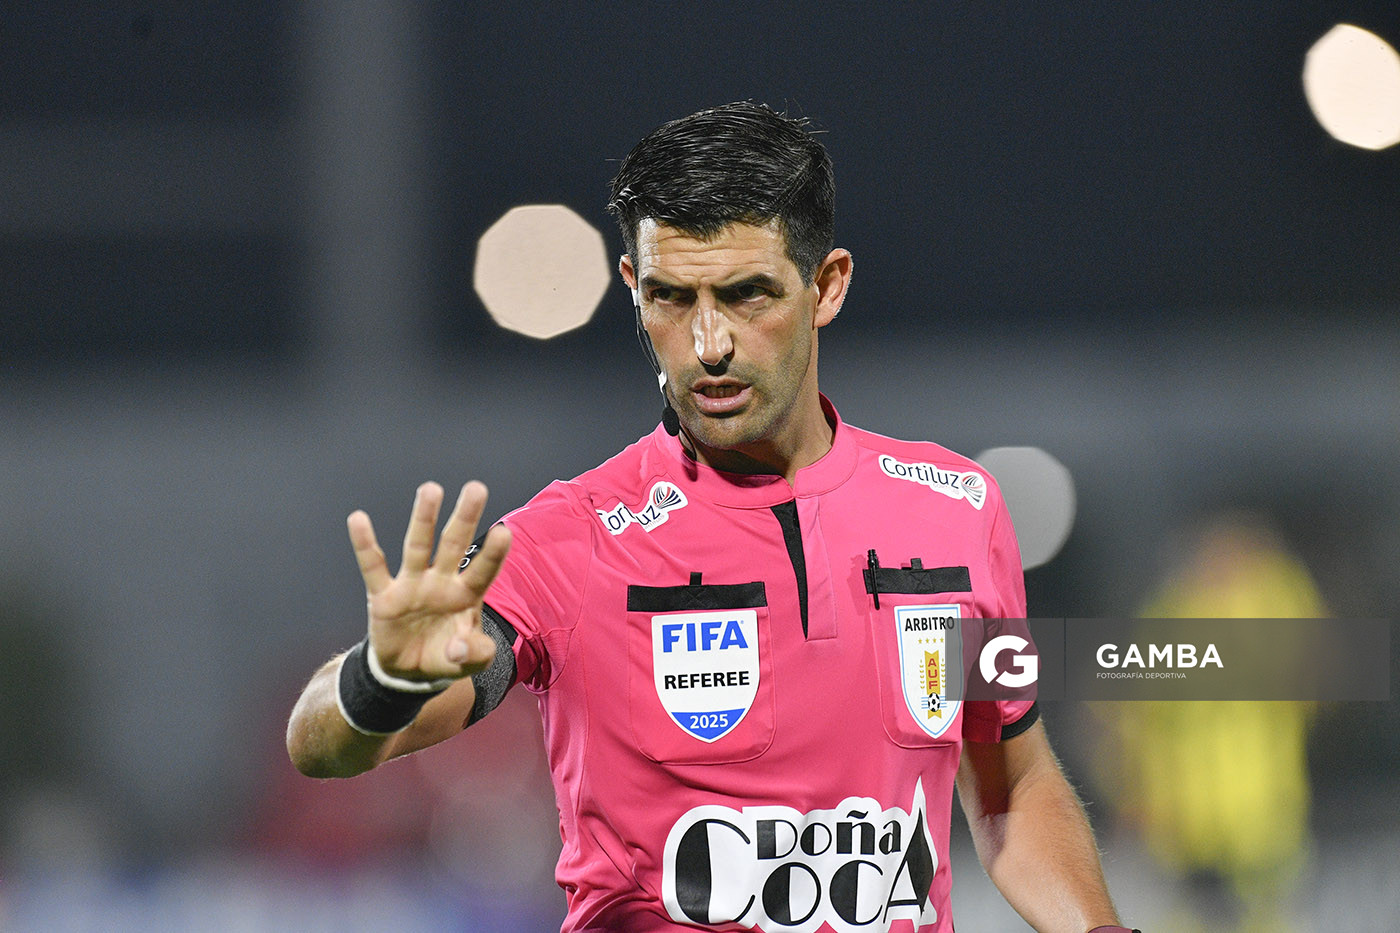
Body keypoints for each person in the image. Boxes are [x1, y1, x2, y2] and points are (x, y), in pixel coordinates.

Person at [287, 101, 1137, 933]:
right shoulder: (570, 538)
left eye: (746, 295)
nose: (708, 344)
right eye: (670, 297)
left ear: (827, 286)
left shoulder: (956, 511)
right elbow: (322, 744)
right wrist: (383, 679)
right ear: (632, 288)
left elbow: (1012, 788)